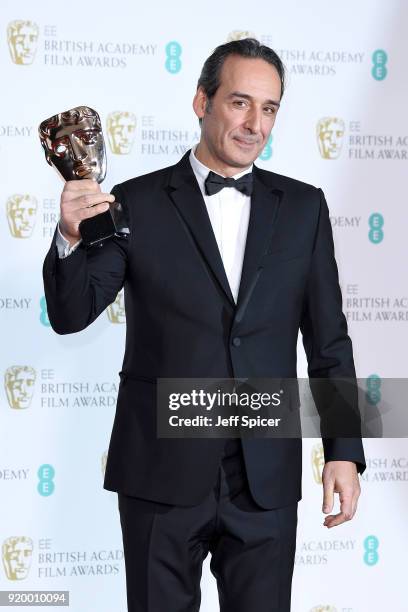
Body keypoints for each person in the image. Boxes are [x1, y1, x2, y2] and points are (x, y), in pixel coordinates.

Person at [43, 38, 365, 612]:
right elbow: (71, 315)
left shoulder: (304, 208)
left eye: (269, 109)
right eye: (240, 102)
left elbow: (329, 340)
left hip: (263, 478)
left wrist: (343, 449)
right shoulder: (132, 203)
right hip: (160, 475)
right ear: (201, 101)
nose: (255, 123)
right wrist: (69, 238)